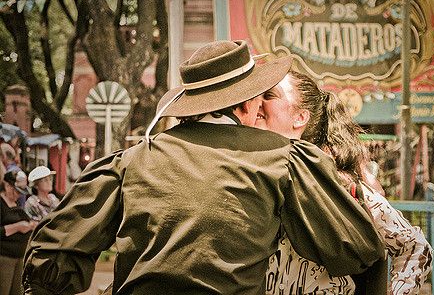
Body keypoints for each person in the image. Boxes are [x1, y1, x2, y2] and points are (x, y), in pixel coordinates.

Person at [23, 40, 385, 294]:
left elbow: (49, 263)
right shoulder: (282, 159)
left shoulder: (132, 160)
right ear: (246, 104)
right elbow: (356, 250)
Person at [256, 71, 433, 295]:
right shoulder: (258, 176)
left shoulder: (337, 186)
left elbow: (415, 246)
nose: (257, 103)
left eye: (269, 95)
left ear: (300, 117)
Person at [1, 170, 37, 295]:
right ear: (7, 186)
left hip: (19, 257)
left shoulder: (16, 204)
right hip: (5, 258)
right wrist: (17, 227)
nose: (18, 195)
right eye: (17, 191)